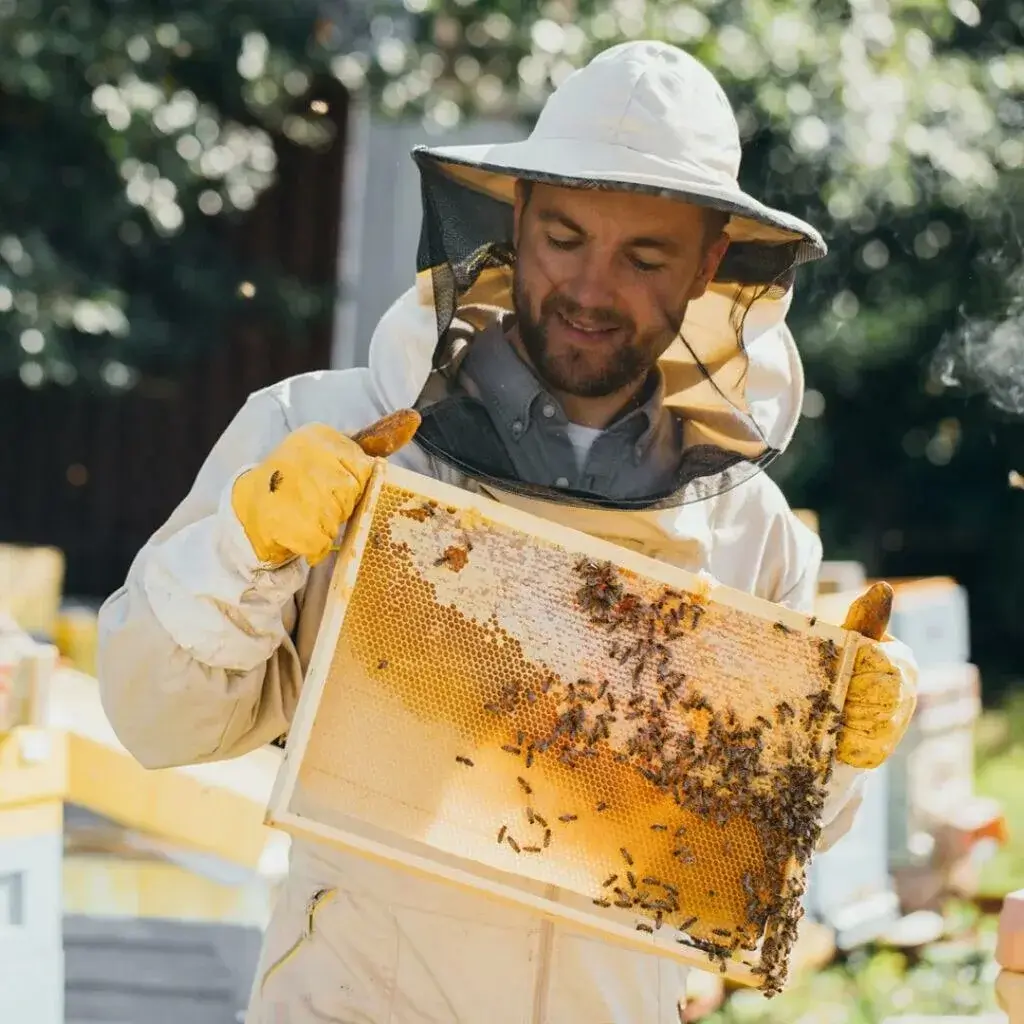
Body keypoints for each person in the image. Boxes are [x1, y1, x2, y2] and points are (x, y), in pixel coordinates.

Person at [97, 41, 918, 1024]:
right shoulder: (322, 438)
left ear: (709, 264)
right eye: (564, 237)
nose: (588, 287)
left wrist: (834, 753)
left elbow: (746, 855)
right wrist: (242, 545)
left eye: (643, 256)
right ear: (515, 220)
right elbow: (154, 718)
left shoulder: (754, 538)